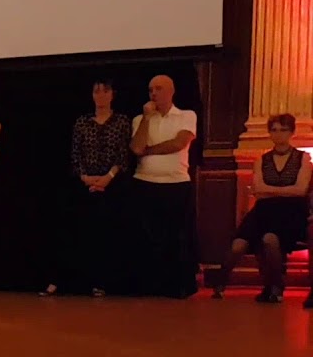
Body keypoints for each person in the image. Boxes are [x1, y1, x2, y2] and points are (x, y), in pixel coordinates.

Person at [44, 80, 132, 297]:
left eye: (105, 91)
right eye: (96, 91)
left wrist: (107, 178)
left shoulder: (122, 121)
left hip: (112, 185)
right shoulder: (82, 122)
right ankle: (61, 281)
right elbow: (75, 154)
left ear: (113, 94)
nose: (101, 96)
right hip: (83, 185)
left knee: (104, 234)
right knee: (72, 232)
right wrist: (86, 178)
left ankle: (100, 282)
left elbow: (123, 154)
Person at [213, 114, 310, 302]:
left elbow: (301, 190)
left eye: (283, 130)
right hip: (264, 210)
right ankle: (219, 283)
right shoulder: (262, 160)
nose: (278, 134)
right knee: (238, 245)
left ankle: (275, 287)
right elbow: (258, 190)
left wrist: (271, 190)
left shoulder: (302, 158)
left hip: (292, 211)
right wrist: (283, 190)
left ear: (291, 132)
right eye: (274, 130)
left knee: (270, 240)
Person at [129, 75, 198, 298]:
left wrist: (149, 150)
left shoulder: (187, 115)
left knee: (176, 238)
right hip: (145, 182)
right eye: (150, 90)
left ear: (171, 91)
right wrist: (147, 119)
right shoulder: (140, 119)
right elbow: (136, 147)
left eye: (158, 89)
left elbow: (179, 143)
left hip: (176, 183)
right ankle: (148, 285)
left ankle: (177, 286)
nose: (154, 94)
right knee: (147, 238)